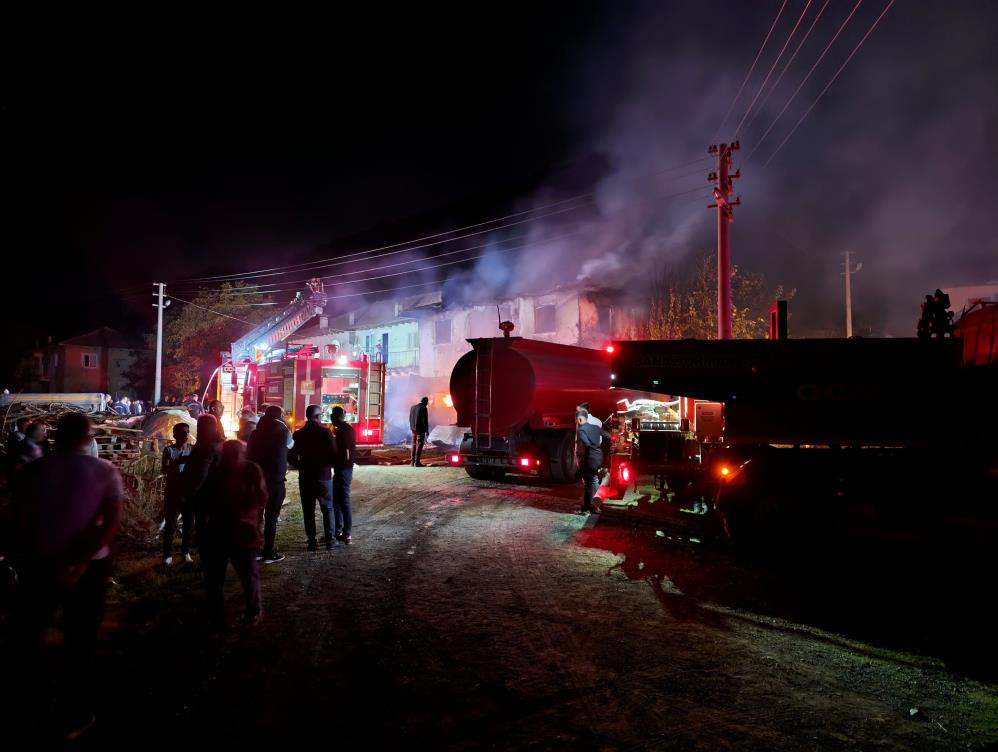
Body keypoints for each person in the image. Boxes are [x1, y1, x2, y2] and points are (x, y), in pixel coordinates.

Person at [5, 412, 123, 739]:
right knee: (80, 640)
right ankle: (73, 710)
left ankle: (23, 702)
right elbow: (110, 522)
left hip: (38, 564)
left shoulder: (34, 470)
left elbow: (18, 517)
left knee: (30, 634)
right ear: (87, 438)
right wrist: (82, 562)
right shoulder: (104, 471)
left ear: (56, 435)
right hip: (88, 568)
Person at [199, 440, 267, 628]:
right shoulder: (234, 471)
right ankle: (235, 614)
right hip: (235, 530)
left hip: (232, 530)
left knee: (228, 576)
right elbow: (262, 497)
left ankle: (229, 615)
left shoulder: (225, 471)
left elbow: (203, 500)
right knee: (237, 576)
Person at [288, 405, 337, 551]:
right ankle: (330, 541)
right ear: (318, 417)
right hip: (323, 476)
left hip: (306, 477)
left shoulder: (298, 434)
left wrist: (300, 465)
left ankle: (312, 542)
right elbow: (334, 454)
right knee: (327, 508)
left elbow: (290, 456)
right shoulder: (325, 433)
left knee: (308, 511)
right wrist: (326, 465)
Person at [246, 405, 290, 563]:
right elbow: (291, 448)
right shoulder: (283, 431)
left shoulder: (255, 433)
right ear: (279, 416)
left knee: (257, 516)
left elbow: (248, 455)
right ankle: (268, 552)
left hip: (257, 479)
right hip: (275, 481)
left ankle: (255, 550)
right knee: (271, 517)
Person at [184, 415, 225, 556]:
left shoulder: (205, 446)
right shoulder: (219, 443)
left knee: (203, 527)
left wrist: (191, 492)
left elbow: (202, 472)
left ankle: (205, 562)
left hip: (205, 494)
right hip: (218, 492)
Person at [161, 423, 194, 565]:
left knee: (189, 524)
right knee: (171, 525)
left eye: (187, 432)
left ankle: (185, 552)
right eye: (182, 433)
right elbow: (164, 470)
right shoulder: (169, 450)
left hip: (188, 492)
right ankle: (167, 555)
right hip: (173, 492)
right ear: (175, 435)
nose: (185, 435)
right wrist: (178, 463)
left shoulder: (192, 450)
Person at [329, 405, 355, 545]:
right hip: (343, 470)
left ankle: (346, 533)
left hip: (343, 470)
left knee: (343, 501)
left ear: (337, 416)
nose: (331, 419)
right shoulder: (345, 429)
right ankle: (338, 531)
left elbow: (345, 452)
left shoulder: (343, 431)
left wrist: (339, 464)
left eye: (332, 416)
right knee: (337, 501)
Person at [575, 409, 604, 515]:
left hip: (589, 458)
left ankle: (591, 506)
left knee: (590, 482)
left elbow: (586, 444)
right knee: (594, 481)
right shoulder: (597, 425)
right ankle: (591, 506)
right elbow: (607, 436)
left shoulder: (581, 430)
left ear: (580, 418)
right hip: (599, 457)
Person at [409, 396, 430, 467]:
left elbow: (410, 418)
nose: (427, 404)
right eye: (427, 402)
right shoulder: (424, 408)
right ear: (425, 402)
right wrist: (426, 430)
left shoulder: (412, 407)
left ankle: (412, 462)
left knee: (414, 445)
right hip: (420, 430)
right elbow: (425, 420)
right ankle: (417, 462)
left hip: (413, 429)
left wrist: (412, 427)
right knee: (420, 445)